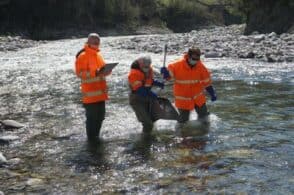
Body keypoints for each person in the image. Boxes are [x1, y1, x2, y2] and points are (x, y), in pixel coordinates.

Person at [160, 47, 217, 123]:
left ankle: (203, 133)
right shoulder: (176, 66)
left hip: (198, 98)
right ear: (188, 56)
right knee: (183, 122)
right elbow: (168, 77)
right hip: (183, 100)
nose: (196, 61)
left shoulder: (201, 67)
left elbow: (207, 82)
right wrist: (166, 73)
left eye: (197, 59)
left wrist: (212, 93)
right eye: (194, 59)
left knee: (205, 118)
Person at [75, 33, 112, 141]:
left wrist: (107, 71)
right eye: (94, 42)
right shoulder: (82, 56)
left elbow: (102, 71)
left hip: (101, 94)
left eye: (98, 42)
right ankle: (91, 141)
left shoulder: (98, 55)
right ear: (88, 42)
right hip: (90, 96)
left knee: (101, 117)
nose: (96, 44)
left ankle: (96, 137)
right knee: (91, 119)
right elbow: (80, 73)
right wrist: (94, 73)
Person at [128, 56, 164, 133]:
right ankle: (145, 139)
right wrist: (151, 94)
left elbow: (148, 80)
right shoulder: (133, 73)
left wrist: (158, 83)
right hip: (137, 99)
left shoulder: (149, 69)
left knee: (153, 120)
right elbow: (139, 89)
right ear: (140, 65)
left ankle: (149, 135)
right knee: (148, 124)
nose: (147, 68)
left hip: (148, 98)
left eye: (148, 66)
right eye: (145, 66)